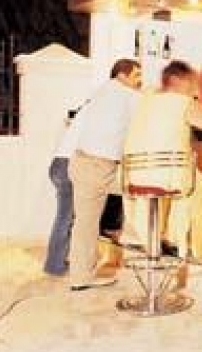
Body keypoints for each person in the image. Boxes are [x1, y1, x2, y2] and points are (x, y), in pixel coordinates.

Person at [123, 60, 202, 260]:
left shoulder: (145, 100)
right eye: (191, 82)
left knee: (182, 182)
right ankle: (192, 249)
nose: (194, 88)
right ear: (176, 80)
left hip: (132, 176)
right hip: (166, 175)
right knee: (199, 184)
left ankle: (160, 240)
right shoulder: (182, 101)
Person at [68, 58, 141, 291]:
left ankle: (81, 273)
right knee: (87, 224)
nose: (139, 81)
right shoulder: (126, 95)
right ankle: (81, 278)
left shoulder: (102, 91)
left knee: (85, 223)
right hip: (97, 165)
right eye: (136, 75)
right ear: (122, 75)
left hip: (84, 161)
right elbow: (149, 111)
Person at [43, 108, 86, 276]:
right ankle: (54, 265)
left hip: (58, 165)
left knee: (66, 217)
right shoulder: (90, 119)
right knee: (65, 218)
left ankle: (57, 260)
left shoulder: (78, 121)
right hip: (68, 166)